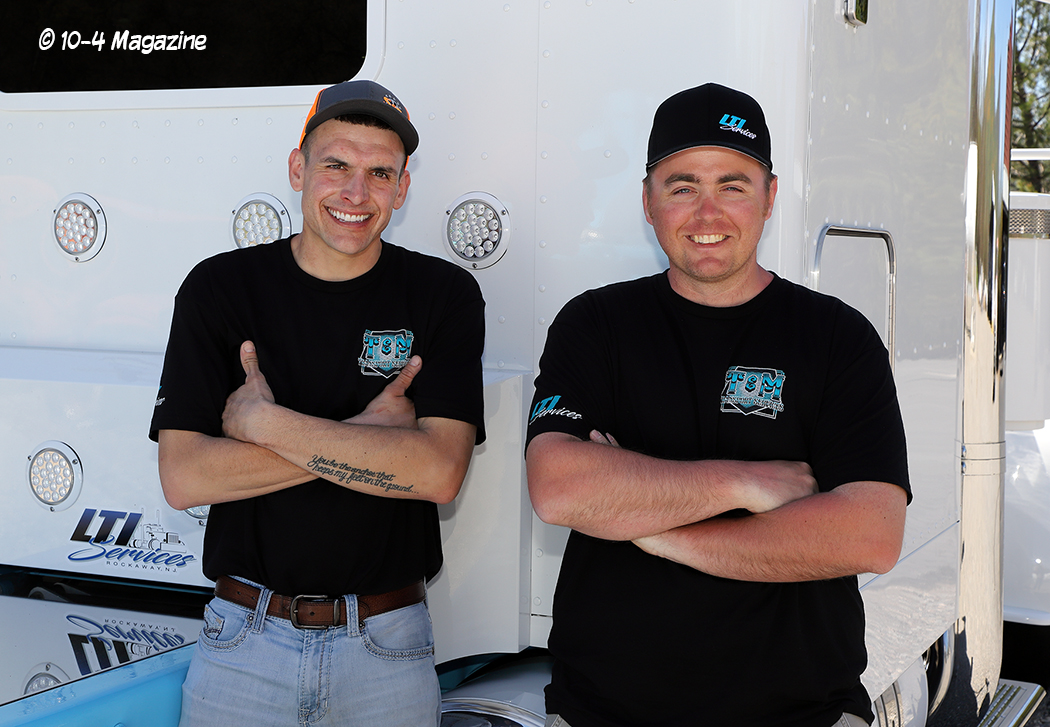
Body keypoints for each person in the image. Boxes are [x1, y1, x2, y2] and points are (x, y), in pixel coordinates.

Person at [525, 83, 911, 727]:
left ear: (770, 197)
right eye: (682, 187)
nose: (708, 213)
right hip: (604, 712)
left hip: (801, 714)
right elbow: (560, 489)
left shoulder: (837, 336)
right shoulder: (596, 324)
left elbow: (870, 534)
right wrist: (744, 482)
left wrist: (651, 528)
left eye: (733, 185)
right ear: (648, 202)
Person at [149, 79, 486, 727]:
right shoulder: (220, 289)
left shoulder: (443, 294)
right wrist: (370, 435)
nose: (356, 193)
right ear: (298, 169)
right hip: (242, 644)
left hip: (386, 647)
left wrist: (264, 424)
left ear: (402, 189)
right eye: (336, 165)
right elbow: (185, 477)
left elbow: (439, 472)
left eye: (379, 172)